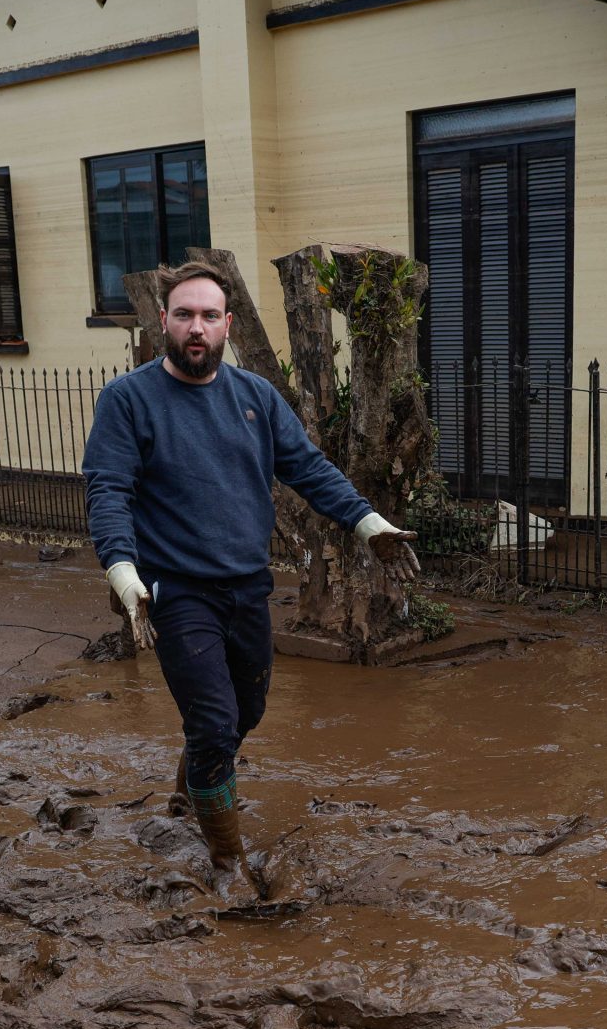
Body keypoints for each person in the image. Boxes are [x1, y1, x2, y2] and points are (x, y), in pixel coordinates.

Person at [82, 260, 419, 882]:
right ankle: (228, 861)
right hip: (175, 592)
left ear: (228, 325)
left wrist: (368, 523)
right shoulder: (127, 401)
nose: (196, 328)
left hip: (246, 588)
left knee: (246, 712)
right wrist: (122, 572)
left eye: (210, 316)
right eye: (184, 314)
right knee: (213, 723)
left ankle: (191, 786)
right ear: (164, 322)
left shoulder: (256, 398)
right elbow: (108, 491)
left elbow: (309, 469)